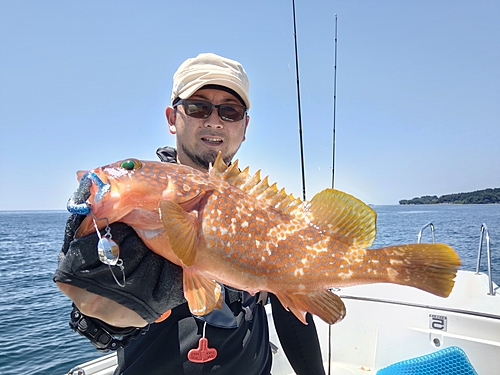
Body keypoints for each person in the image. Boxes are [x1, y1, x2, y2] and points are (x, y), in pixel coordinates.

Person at [55, 53, 326, 375]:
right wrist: (105, 314)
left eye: (230, 111)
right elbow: (100, 330)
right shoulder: (137, 208)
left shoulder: (261, 213)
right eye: (198, 107)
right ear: (172, 118)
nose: (214, 121)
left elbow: (291, 311)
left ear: (244, 126)